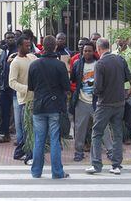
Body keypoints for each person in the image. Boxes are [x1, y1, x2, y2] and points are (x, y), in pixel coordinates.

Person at [85, 38, 131, 175]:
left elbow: (98, 88)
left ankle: (96, 164)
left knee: (97, 133)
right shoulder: (120, 59)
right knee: (117, 134)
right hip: (119, 102)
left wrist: (92, 88)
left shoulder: (100, 63)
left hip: (104, 104)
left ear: (98, 49)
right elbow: (128, 76)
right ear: (109, 47)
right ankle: (116, 165)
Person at [28, 35, 70, 179]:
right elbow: (66, 86)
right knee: (54, 140)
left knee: (39, 139)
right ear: (55, 47)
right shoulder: (60, 65)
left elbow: (31, 87)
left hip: (39, 105)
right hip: (55, 105)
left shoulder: (34, 65)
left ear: (42, 46)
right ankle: (57, 172)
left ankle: (36, 171)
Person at [72, 42, 113, 162]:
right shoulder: (77, 64)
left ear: (94, 51)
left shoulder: (99, 64)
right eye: (85, 51)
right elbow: (73, 80)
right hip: (81, 100)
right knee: (80, 128)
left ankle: (110, 150)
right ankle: (78, 151)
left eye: (89, 51)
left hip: (97, 101)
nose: (87, 53)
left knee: (103, 127)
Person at [9, 35, 37, 161]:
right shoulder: (15, 63)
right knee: (28, 129)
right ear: (19, 46)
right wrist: (26, 88)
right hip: (24, 100)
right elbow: (12, 82)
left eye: (29, 45)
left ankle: (20, 152)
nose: (29, 47)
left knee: (30, 128)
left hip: (34, 98)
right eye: (26, 45)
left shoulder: (31, 57)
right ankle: (28, 154)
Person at [113, 36, 131, 145]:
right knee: (116, 113)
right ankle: (117, 136)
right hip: (115, 87)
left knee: (127, 112)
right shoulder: (113, 53)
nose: (120, 41)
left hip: (127, 87)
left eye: (122, 38)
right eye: (118, 38)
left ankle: (127, 137)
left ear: (127, 40)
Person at [0, 31, 17, 144]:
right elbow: (0, 69)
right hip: (4, 86)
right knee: (4, 111)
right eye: (8, 38)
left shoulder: (18, 51)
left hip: (15, 87)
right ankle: (5, 134)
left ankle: (20, 137)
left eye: (12, 37)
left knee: (17, 113)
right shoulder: (4, 52)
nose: (10, 39)